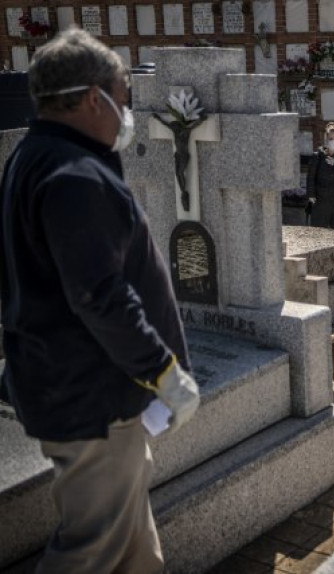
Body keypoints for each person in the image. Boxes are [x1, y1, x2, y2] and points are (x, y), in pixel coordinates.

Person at [0, 29, 200, 573]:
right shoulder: (75, 175)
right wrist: (162, 370)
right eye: (123, 98)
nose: (126, 113)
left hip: (76, 387)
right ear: (94, 98)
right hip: (92, 397)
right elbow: (99, 295)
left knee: (135, 550)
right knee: (89, 552)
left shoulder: (36, 156)